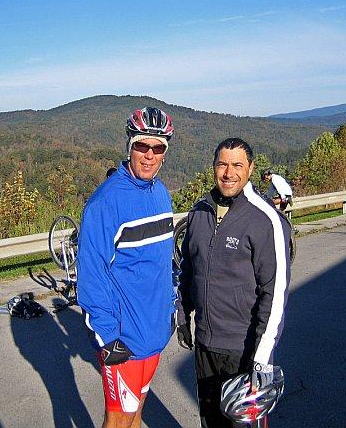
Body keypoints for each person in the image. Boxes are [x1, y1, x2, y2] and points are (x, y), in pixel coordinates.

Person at [176, 138, 291, 427]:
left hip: (245, 350)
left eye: (237, 165)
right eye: (222, 164)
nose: (229, 173)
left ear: (250, 168)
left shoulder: (266, 219)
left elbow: (274, 294)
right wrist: (182, 316)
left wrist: (262, 356)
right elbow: (188, 269)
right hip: (206, 344)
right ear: (213, 167)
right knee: (211, 422)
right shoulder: (199, 210)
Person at [76, 106, 176, 428]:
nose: (149, 155)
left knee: (136, 415)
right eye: (142, 146)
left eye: (157, 148)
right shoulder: (106, 202)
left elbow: (164, 264)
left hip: (155, 334)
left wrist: (171, 309)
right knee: (117, 422)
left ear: (164, 153)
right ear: (129, 145)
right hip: (125, 340)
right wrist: (106, 336)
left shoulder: (161, 194)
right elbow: (92, 275)